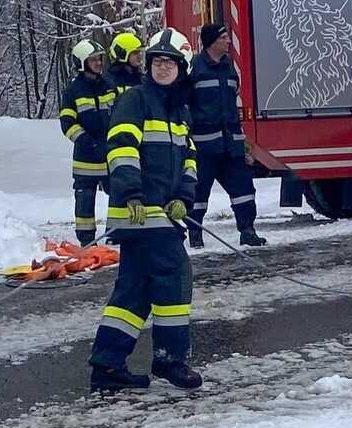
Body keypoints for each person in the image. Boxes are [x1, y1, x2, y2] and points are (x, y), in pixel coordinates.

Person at [88, 28, 202, 393]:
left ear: (181, 68)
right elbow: (121, 148)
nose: (163, 67)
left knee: (135, 290)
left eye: (170, 62)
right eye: (157, 61)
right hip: (140, 212)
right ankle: (169, 358)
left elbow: (188, 159)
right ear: (148, 65)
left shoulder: (179, 112)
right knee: (174, 275)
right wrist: (132, 195)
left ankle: (108, 364)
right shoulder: (135, 101)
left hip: (164, 214)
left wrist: (184, 196)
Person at [187, 23, 265, 249]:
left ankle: (248, 231)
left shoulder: (228, 67)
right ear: (212, 41)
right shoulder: (195, 69)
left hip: (231, 144)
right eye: (224, 38)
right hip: (204, 147)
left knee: (244, 190)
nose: (228, 41)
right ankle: (195, 234)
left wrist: (244, 142)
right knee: (198, 193)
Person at [58, 38, 114, 245]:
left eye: (100, 59)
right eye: (93, 60)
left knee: (119, 195)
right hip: (86, 158)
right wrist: (88, 143)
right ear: (81, 63)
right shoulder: (73, 91)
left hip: (110, 153)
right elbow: (67, 124)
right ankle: (87, 241)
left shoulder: (109, 86)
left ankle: (116, 234)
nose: (99, 63)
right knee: (85, 200)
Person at [105, 31, 144, 97]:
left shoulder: (142, 79)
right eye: (135, 53)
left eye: (139, 52)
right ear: (122, 54)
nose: (140, 56)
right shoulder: (108, 82)